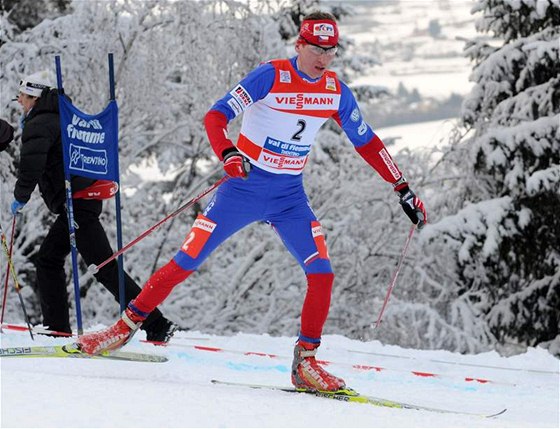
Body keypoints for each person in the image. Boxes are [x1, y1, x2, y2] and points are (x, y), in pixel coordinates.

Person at [77, 11, 427, 392]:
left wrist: (402, 187)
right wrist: (228, 153)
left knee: (323, 275)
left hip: (289, 197)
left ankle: (305, 364)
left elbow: (367, 141)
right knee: (185, 262)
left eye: (331, 51)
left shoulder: (336, 92)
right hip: (242, 189)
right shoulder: (271, 75)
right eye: (317, 49)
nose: (323, 58)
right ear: (300, 45)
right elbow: (216, 115)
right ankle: (123, 328)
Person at [8, 70, 177, 341]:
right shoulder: (66, 118)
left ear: (34, 97)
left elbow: (31, 165)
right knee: (49, 259)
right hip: (80, 201)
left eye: (23, 97)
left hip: (77, 203)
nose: (20, 103)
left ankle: (156, 323)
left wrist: (21, 197)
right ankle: (57, 327)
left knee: (102, 267)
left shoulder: (40, 124)